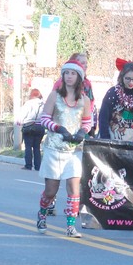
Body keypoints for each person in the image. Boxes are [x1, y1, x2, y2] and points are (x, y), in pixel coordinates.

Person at [35, 57, 94, 238]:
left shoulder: (83, 99)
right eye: (66, 73)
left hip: (74, 149)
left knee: (73, 187)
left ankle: (70, 226)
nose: (69, 77)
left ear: (79, 78)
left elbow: (87, 121)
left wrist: (82, 132)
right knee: (51, 190)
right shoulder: (55, 95)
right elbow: (44, 118)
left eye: (73, 74)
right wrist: (57, 128)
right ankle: (42, 214)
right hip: (54, 148)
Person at [98, 57, 133, 141]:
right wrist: (105, 139)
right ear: (122, 77)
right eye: (127, 78)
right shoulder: (113, 92)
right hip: (114, 136)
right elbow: (103, 117)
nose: (131, 82)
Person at [17, 88, 45, 170]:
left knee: (28, 146)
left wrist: (20, 121)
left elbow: (23, 114)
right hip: (40, 126)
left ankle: (28, 165)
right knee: (37, 147)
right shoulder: (43, 104)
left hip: (29, 126)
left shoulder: (29, 103)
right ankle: (38, 166)